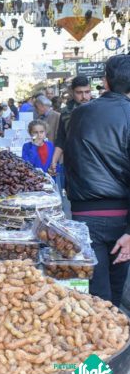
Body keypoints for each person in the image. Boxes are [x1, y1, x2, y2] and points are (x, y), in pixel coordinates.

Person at [64, 54, 130, 308]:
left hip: (85, 215)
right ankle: (115, 344)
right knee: (113, 292)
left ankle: (102, 347)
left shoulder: (81, 114)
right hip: (121, 217)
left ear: (106, 81)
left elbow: (71, 160)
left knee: (96, 296)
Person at [50, 76, 92, 176]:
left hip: (95, 164)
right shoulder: (65, 112)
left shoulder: (100, 109)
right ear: (72, 92)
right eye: (79, 92)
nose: (84, 96)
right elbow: (61, 139)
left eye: (87, 92)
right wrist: (54, 161)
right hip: (72, 163)